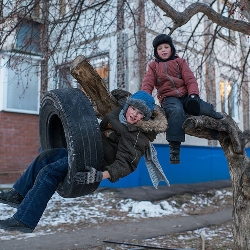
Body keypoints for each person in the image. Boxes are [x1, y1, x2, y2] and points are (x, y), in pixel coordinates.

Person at [0, 90, 168, 233]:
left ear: (144, 117)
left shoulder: (136, 136)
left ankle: (25, 220)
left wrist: (99, 175)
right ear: (128, 105)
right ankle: (18, 195)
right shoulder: (119, 111)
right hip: (83, 149)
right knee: (45, 157)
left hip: (94, 162)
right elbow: (118, 95)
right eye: (133, 109)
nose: (134, 115)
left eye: (140, 114)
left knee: (49, 173)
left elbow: (126, 165)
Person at [141, 34, 223, 165]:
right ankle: (174, 147)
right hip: (169, 98)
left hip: (185, 96)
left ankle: (216, 128)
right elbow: (147, 83)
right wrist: (145, 98)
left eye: (166, 47)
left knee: (205, 108)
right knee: (176, 111)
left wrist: (193, 96)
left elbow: (190, 79)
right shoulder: (153, 66)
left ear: (171, 48)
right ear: (156, 52)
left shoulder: (180, 62)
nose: (163, 50)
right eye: (160, 48)